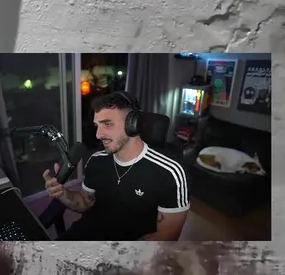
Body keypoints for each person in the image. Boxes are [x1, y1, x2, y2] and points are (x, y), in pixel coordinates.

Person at [42, 92, 189, 241]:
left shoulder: (169, 172)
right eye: (97, 126)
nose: (98, 134)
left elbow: (167, 237)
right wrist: (63, 193)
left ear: (133, 124)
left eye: (107, 124)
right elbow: (85, 202)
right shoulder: (96, 160)